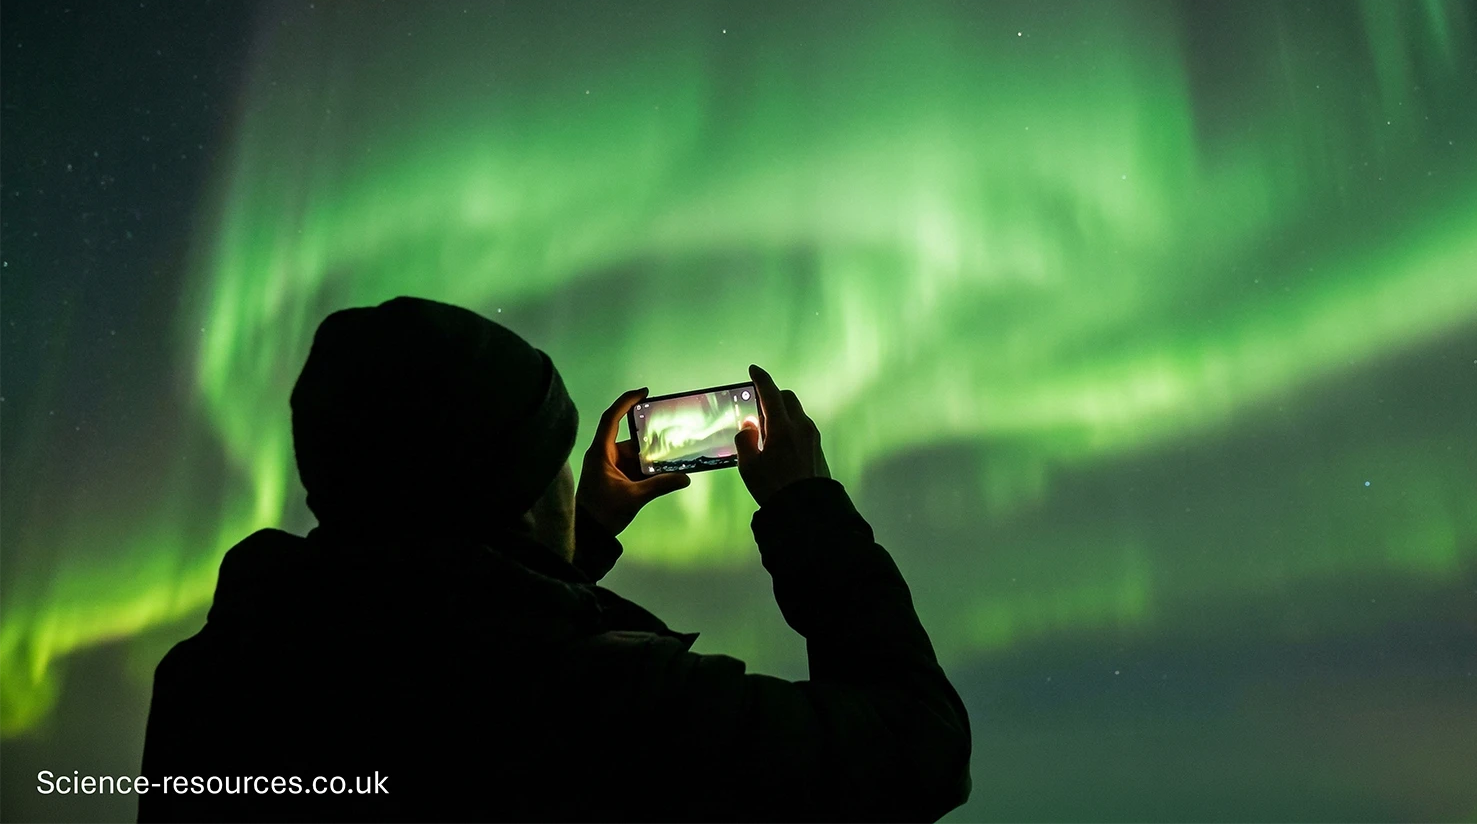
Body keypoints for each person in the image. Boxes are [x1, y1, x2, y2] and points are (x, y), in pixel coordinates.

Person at [138, 296, 972, 822]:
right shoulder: (612, 703)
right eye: (554, 461)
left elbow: (441, 615)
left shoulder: (218, 679)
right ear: (512, 485)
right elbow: (919, 749)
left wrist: (578, 531)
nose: (569, 479)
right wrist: (806, 510)